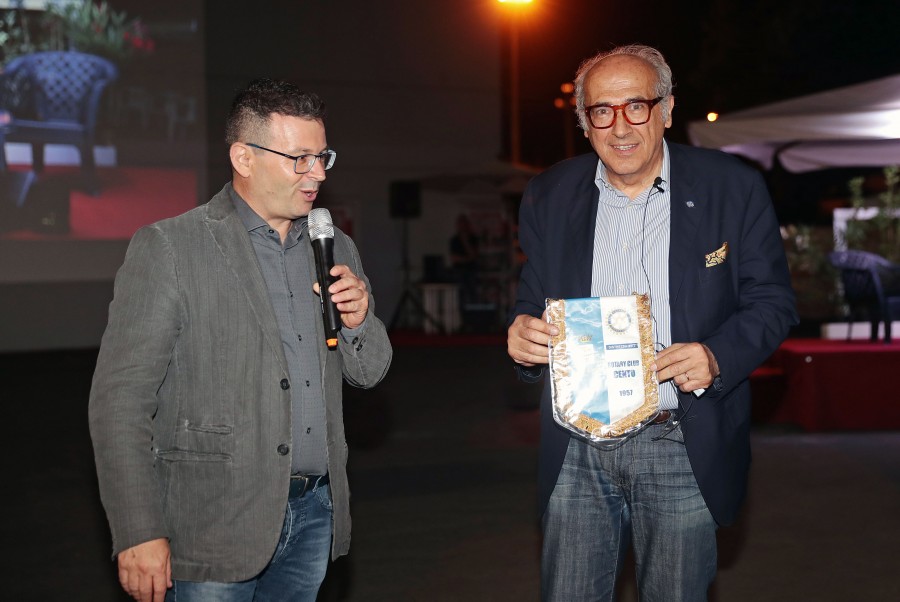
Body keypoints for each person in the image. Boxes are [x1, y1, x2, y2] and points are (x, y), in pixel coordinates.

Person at [507, 45, 797, 601]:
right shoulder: (548, 194)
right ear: (584, 122)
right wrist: (521, 333)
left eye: (636, 106)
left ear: (665, 109)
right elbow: (531, 299)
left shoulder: (731, 187)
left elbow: (772, 301)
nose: (620, 127)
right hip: (576, 445)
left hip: (682, 437)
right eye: (602, 111)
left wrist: (716, 356)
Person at [89, 78, 392, 602]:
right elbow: (120, 399)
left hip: (314, 513)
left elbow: (369, 372)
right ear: (244, 157)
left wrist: (359, 320)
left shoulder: (334, 246)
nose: (318, 173)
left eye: (323, 157)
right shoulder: (172, 247)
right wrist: (138, 528)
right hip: (212, 522)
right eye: (300, 159)